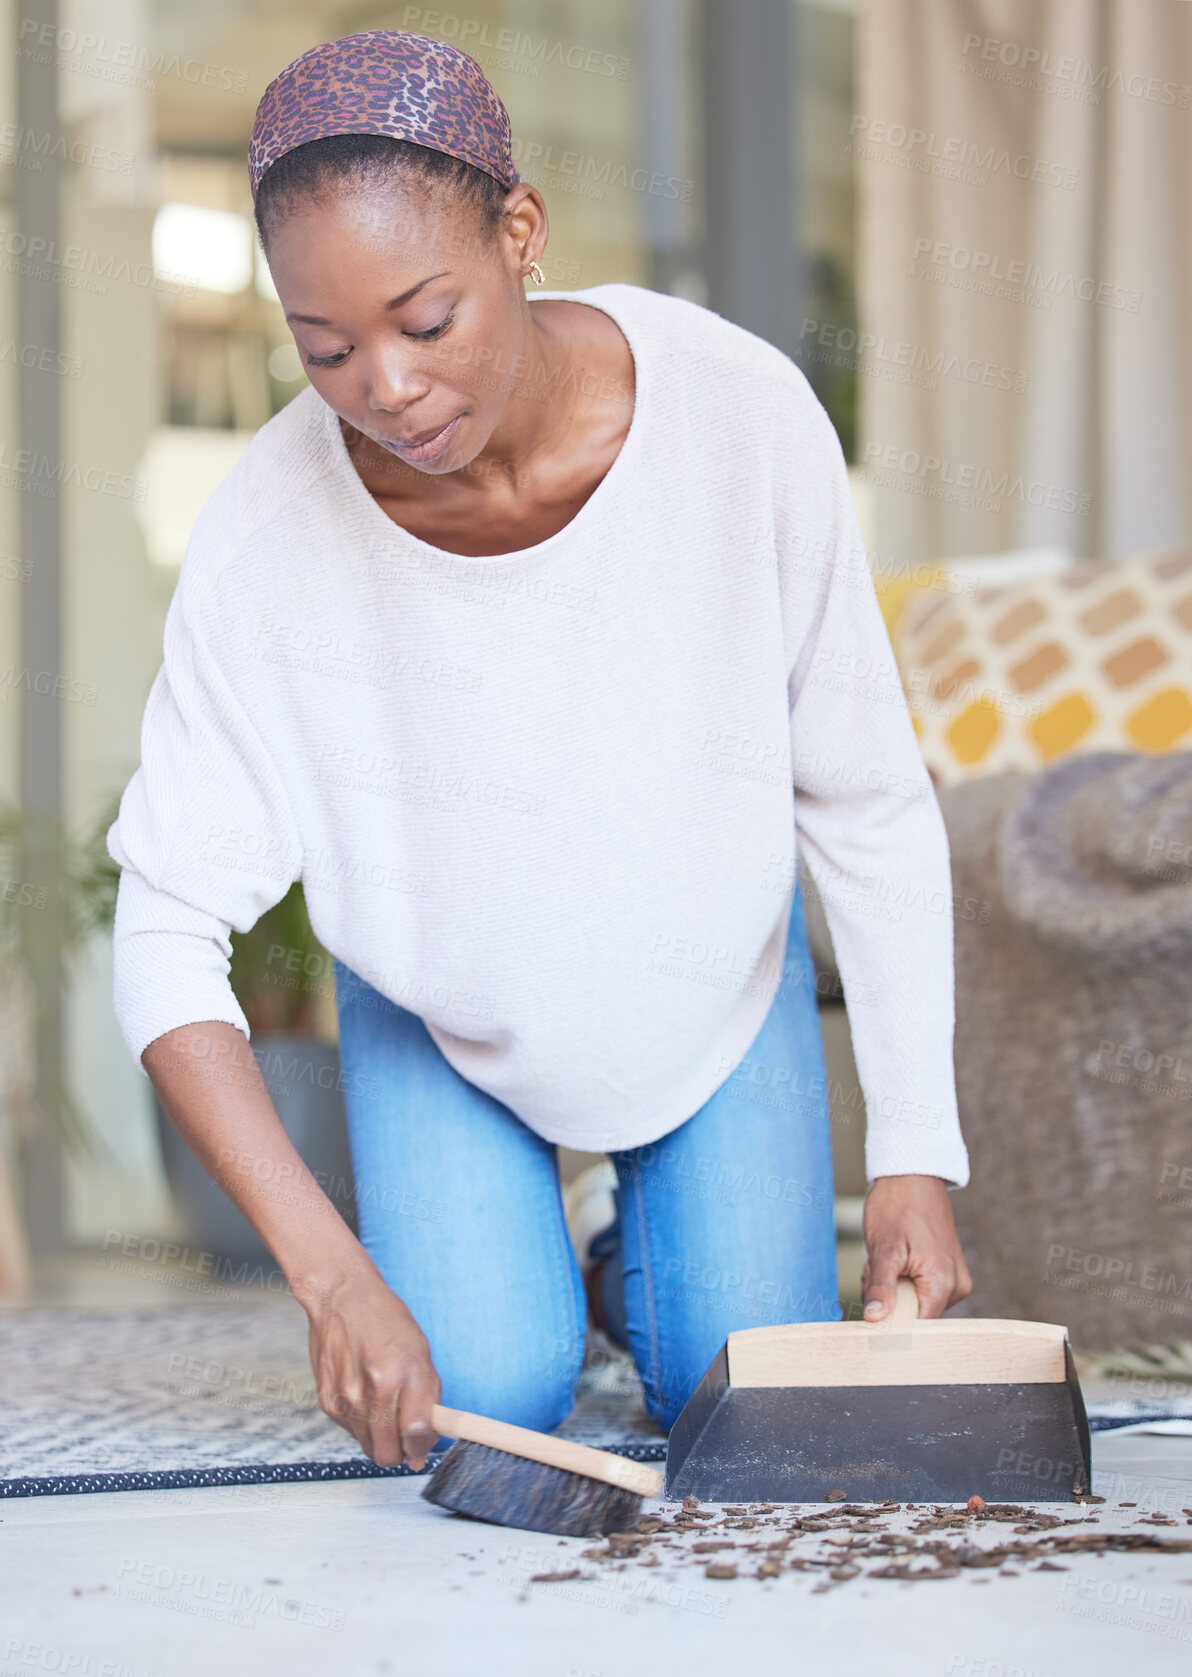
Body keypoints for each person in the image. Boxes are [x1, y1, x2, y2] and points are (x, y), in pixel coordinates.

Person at [108, 30, 972, 1475]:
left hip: (709, 986)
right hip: (446, 1019)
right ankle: (539, 1264)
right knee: (486, 1402)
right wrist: (332, 1277)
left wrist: (915, 1158)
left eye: (424, 318)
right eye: (323, 348)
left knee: (742, 1396)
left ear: (520, 233)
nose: (381, 384)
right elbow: (162, 933)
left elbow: (868, 803)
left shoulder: (743, 416)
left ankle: (611, 1241)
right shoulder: (267, 538)